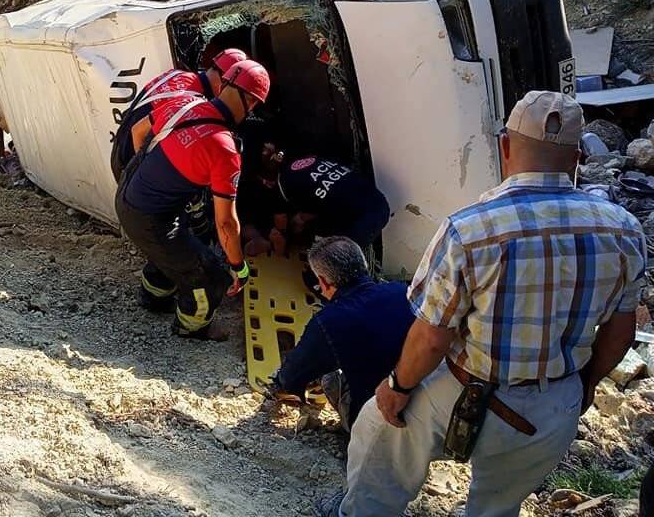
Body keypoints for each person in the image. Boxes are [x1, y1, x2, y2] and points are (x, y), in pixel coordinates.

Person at [324, 91, 647, 517]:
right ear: (576, 158)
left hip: (465, 391)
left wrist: (397, 388)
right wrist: (582, 387)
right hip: (554, 407)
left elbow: (432, 337)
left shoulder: (470, 229)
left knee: (378, 428)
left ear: (506, 147)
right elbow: (620, 332)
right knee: (497, 508)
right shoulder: (623, 229)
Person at [115, 59, 270, 340]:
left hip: (129, 191)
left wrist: (148, 174)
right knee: (211, 277)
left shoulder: (186, 103)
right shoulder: (225, 149)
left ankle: (154, 298)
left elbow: (138, 130)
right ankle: (191, 328)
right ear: (250, 101)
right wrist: (239, 267)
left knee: (179, 247)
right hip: (151, 218)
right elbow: (226, 223)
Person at [267, 236, 414, 430]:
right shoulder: (404, 292)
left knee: (329, 377)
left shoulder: (329, 321)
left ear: (323, 282)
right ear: (364, 266)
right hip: (423, 404)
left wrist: (279, 383)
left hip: (378, 421)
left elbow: (292, 377)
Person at [110, 47, 247, 181]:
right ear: (225, 81)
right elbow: (137, 132)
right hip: (130, 164)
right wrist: (142, 174)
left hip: (119, 147)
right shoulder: (190, 101)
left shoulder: (177, 74)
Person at [241, 145, 390, 258]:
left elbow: (281, 233)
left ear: (266, 180)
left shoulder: (281, 187)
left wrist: (277, 246)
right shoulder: (306, 161)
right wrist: (301, 218)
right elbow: (323, 194)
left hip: (361, 219)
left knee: (328, 267)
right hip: (380, 203)